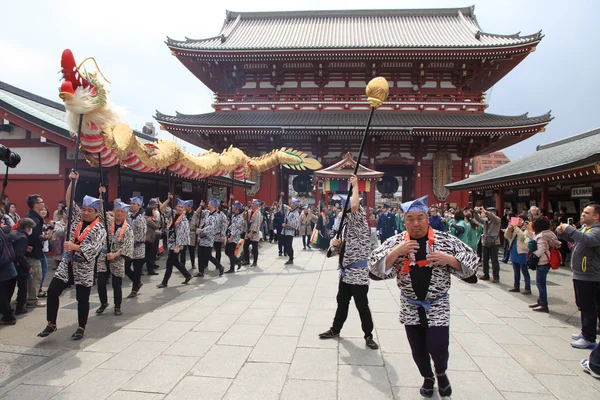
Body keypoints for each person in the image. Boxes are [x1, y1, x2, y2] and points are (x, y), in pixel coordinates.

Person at [369, 195, 478, 398]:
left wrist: (450, 260)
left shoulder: (445, 241)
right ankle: (428, 378)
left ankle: (441, 372)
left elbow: (472, 266)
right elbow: (375, 271)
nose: (416, 223)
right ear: (404, 221)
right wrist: (396, 252)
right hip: (410, 305)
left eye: (420, 217)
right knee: (418, 351)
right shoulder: (395, 242)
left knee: (438, 346)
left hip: (437, 304)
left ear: (428, 218)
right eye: (410, 219)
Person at [38, 171, 106, 340]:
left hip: (84, 266)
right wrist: (72, 182)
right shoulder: (76, 219)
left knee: (82, 298)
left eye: (89, 210)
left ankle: (81, 327)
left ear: (96, 212)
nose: (85, 213)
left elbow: (95, 248)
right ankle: (51, 323)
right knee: (53, 291)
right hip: (67, 263)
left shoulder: (100, 228)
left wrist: (76, 246)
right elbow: (68, 201)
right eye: (84, 209)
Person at [319, 175, 378, 350]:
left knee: (362, 307)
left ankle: (368, 335)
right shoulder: (345, 228)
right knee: (341, 302)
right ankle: (335, 329)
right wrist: (334, 246)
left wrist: (354, 185)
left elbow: (353, 206)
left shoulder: (359, 222)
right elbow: (331, 253)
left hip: (358, 275)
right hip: (345, 274)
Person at [557, 203, 600, 349]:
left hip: (590, 274)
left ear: (596, 216)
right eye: (583, 212)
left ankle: (589, 337)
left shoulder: (597, 231)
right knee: (583, 305)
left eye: (586, 213)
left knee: (589, 307)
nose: (582, 214)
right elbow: (574, 240)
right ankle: (585, 332)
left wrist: (569, 228)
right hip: (580, 274)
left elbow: (586, 240)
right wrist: (562, 233)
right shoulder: (585, 229)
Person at [96, 200, 134, 316]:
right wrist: (101, 195)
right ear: (113, 211)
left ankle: (117, 306)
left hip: (117, 257)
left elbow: (127, 246)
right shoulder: (108, 222)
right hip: (104, 255)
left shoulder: (128, 229)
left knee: (117, 284)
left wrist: (115, 254)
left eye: (122, 212)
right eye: (117, 211)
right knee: (101, 282)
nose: (119, 213)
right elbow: (100, 212)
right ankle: (103, 303)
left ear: (126, 214)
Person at [528, 217, 561, 313]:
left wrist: (533, 256)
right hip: (546, 261)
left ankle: (543, 303)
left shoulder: (542, 236)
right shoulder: (549, 233)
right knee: (540, 282)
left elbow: (541, 249)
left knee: (540, 283)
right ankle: (540, 301)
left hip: (543, 261)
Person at [157, 199, 193, 288]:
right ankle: (187, 275)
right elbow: (162, 208)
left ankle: (164, 282)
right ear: (176, 206)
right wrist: (169, 199)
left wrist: (178, 246)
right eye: (179, 206)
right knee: (175, 262)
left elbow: (182, 233)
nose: (180, 208)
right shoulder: (172, 214)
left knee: (169, 262)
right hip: (171, 241)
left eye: (182, 207)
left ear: (184, 209)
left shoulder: (184, 220)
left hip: (177, 243)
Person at [7, 218, 36, 316]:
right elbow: (19, 255)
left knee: (9, 287)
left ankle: (6, 307)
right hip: (19, 265)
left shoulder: (13, 233)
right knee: (22, 287)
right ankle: (20, 308)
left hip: (10, 264)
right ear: (27, 227)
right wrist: (28, 266)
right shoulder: (23, 237)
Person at [24, 193, 46, 308]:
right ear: (35, 205)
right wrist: (43, 237)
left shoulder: (34, 217)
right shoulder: (33, 219)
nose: (43, 204)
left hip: (34, 251)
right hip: (33, 252)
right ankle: (32, 299)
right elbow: (32, 236)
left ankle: (29, 297)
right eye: (41, 202)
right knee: (36, 275)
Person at [124, 196, 147, 298]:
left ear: (139, 206)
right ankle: (137, 282)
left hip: (138, 247)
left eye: (134, 204)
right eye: (131, 203)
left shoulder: (141, 218)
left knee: (137, 269)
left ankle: (134, 289)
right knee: (126, 268)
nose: (132, 206)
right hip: (128, 247)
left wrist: (131, 239)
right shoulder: (127, 216)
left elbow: (142, 234)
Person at [504, 214, 531, 295]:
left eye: (520, 220)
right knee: (516, 269)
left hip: (523, 250)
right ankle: (516, 286)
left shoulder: (527, 228)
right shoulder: (514, 228)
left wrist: (516, 228)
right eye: (517, 219)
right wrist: (509, 229)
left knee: (524, 269)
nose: (518, 221)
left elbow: (525, 238)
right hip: (514, 250)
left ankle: (527, 287)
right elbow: (507, 236)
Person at [196, 199, 224, 277]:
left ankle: (220, 267)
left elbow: (212, 227)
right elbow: (197, 213)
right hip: (201, 237)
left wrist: (201, 230)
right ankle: (201, 271)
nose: (207, 205)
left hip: (208, 237)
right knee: (200, 255)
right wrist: (201, 206)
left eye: (209, 204)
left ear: (213, 205)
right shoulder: (207, 213)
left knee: (208, 255)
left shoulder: (216, 216)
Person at [474, 207, 501, 282]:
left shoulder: (497, 220)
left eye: (491, 212)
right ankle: (486, 274)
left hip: (494, 242)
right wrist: (476, 212)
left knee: (494, 260)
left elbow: (493, 217)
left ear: (494, 213)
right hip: (485, 242)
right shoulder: (485, 221)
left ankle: (496, 276)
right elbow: (478, 219)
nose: (488, 214)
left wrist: (485, 211)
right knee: (485, 259)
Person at [0, 229, 18, 325]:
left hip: (3, 271)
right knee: (5, 295)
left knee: (2, 296)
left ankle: (8, 316)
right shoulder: (3, 232)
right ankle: (7, 313)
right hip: (10, 269)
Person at [279, 193, 300, 265]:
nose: (291, 204)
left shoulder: (296, 213)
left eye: (293, 204)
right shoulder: (288, 209)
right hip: (284, 231)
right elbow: (281, 205)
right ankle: (290, 256)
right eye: (291, 203)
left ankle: (291, 258)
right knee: (284, 244)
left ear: (296, 205)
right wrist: (281, 196)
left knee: (289, 245)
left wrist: (286, 225)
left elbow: (294, 225)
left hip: (290, 232)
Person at [242, 199, 264, 267]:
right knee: (245, 246)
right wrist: (245, 210)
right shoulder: (249, 211)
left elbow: (256, 224)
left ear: (257, 205)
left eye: (253, 203)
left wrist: (251, 233)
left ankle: (255, 262)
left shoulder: (258, 213)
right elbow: (244, 217)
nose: (252, 204)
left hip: (254, 233)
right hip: (248, 231)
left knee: (254, 248)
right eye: (252, 203)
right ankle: (247, 260)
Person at [225, 201, 244, 273]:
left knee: (230, 252)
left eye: (234, 207)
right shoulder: (234, 215)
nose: (232, 208)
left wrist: (231, 237)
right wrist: (230, 200)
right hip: (230, 234)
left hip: (234, 236)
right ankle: (238, 261)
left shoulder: (240, 218)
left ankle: (232, 268)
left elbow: (235, 228)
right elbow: (229, 210)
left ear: (237, 209)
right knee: (227, 251)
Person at [180, 200, 200, 270]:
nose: (185, 207)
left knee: (192, 250)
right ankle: (182, 264)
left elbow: (197, 223)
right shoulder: (183, 213)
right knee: (183, 250)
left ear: (190, 206)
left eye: (186, 206)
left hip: (192, 233)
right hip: (184, 233)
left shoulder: (195, 214)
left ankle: (193, 264)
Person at [38, 207, 53, 298]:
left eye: (45, 210)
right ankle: (38, 289)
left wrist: (50, 228)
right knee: (43, 269)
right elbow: (45, 236)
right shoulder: (39, 222)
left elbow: (48, 236)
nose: (43, 211)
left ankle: (38, 288)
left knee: (43, 269)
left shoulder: (43, 222)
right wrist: (49, 230)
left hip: (43, 249)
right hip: (39, 250)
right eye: (41, 209)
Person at [144, 206, 160, 275]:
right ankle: (150, 270)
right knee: (148, 255)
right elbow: (157, 226)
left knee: (148, 255)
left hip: (150, 239)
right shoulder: (149, 220)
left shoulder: (149, 219)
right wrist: (155, 218)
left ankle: (150, 269)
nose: (154, 212)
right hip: (148, 239)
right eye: (153, 211)